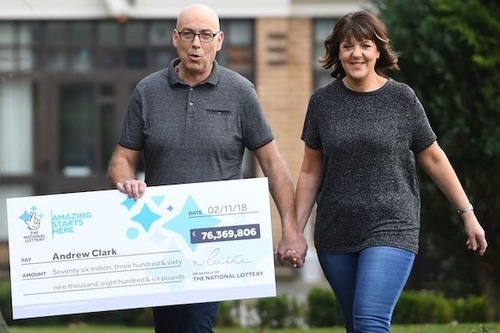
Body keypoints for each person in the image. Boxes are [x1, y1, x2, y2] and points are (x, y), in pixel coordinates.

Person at [107, 3, 306, 333]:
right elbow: (122, 159)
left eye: (205, 35)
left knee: (194, 322)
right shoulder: (147, 91)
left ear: (220, 40)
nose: (196, 43)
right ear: (175, 38)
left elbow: (272, 163)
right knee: (170, 325)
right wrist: (126, 181)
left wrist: (290, 228)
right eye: (187, 34)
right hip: (163, 236)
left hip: (215, 235)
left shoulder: (241, 92)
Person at [293, 10, 488, 333]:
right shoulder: (322, 103)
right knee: (356, 325)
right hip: (335, 230)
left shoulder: (402, 99)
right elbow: (311, 170)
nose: (356, 54)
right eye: (347, 46)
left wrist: (467, 213)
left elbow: (434, 158)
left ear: (378, 51)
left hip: (392, 224)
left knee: (370, 320)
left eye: (365, 45)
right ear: (337, 53)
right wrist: (294, 231)